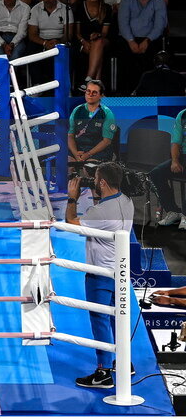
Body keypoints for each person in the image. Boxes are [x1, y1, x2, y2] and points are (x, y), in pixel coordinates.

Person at [66, 163, 134, 389]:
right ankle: (123, 362)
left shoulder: (100, 213)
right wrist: (98, 193)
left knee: (100, 319)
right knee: (117, 317)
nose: (92, 181)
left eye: (95, 179)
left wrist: (72, 198)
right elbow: (102, 209)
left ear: (102, 183)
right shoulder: (126, 201)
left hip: (100, 273)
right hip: (120, 271)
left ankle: (103, 372)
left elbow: (71, 223)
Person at [117, 0, 167, 92]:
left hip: (150, 40)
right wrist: (131, 41)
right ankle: (126, 92)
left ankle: (149, 92)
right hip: (129, 39)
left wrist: (147, 41)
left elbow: (159, 26)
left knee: (153, 53)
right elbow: (123, 23)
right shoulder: (126, 0)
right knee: (124, 54)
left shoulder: (159, 1)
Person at [148, 107, 186, 231]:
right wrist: (175, 161)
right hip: (183, 156)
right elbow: (176, 142)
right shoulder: (182, 114)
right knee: (156, 173)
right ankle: (173, 211)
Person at [67, 79, 117, 170]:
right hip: (78, 150)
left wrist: (88, 154)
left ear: (101, 95)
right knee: (67, 166)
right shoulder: (77, 110)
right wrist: (75, 154)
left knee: (89, 169)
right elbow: (70, 135)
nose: (90, 95)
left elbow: (106, 141)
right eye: (88, 91)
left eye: (94, 92)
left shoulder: (107, 113)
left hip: (98, 152)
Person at [74, 0, 112, 89]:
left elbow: (105, 33)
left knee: (98, 42)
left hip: (102, 40)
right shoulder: (80, 7)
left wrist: (98, 34)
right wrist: (83, 41)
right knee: (96, 49)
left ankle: (88, 78)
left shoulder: (106, 8)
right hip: (84, 41)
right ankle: (97, 82)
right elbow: (77, 33)